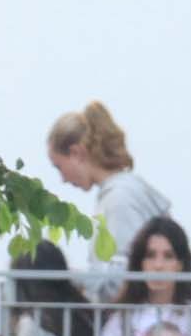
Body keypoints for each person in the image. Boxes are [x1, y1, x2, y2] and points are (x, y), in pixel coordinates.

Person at [45, 101, 174, 286]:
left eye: (59, 166)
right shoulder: (127, 191)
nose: (63, 179)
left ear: (76, 153)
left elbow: (121, 276)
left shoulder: (119, 199)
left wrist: (76, 282)